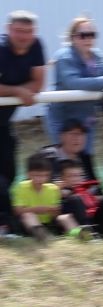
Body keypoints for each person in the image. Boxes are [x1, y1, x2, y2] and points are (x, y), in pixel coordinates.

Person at [0, 9, 46, 235]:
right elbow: (28, 89)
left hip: (3, 123)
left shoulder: (36, 45)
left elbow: (38, 83)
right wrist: (18, 91)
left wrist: (20, 92)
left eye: (28, 31)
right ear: (8, 30)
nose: (24, 36)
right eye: (19, 31)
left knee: (9, 171)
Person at [49, 17, 103, 152]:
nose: (88, 39)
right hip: (64, 120)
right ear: (73, 38)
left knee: (85, 159)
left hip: (86, 120)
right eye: (83, 35)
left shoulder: (98, 56)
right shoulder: (64, 57)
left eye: (92, 35)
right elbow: (73, 83)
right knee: (65, 161)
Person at [8, 148, 58, 237]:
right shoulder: (21, 187)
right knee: (28, 215)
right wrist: (35, 209)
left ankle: (81, 233)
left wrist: (53, 210)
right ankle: (40, 234)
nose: (41, 179)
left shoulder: (53, 188)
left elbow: (56, 212)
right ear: (29, 174)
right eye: (37, 175)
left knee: (65, 217)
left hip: (48, 223)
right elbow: (17, 211)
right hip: (27, 225)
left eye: (45, 175)